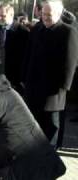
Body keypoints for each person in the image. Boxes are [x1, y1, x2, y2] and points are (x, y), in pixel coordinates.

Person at [23, 0, 78, 149]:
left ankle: (50, 157)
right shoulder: (37, 29)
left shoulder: (68, 32)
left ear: (59, 14)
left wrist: (63, 89)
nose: (45, 17)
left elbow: (70, 63)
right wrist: (25, 78)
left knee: (51, 128)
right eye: (43, 14)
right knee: (34, 125)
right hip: (33, 89)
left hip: (53, 93)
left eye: (49, 14)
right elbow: (28, 55)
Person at [0, 3, 29, 93]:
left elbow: (24, 57)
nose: (0, 18)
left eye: (3, 16)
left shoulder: (22, 32)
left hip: (12, 75)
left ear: (11, 15)